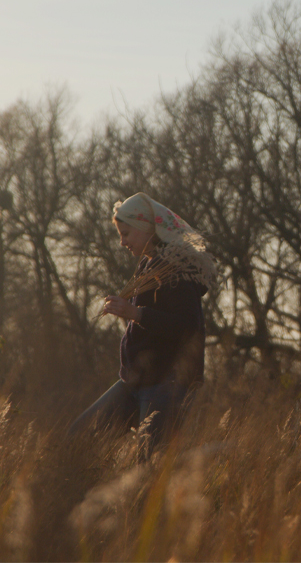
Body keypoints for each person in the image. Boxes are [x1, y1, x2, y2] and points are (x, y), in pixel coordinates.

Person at [69, 193, 216, 460]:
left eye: (126, 234)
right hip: (136, 380)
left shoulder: (174, 267)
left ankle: (200, 472)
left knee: (149, 462)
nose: (122, 242)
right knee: (78, 438)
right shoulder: (149, 264)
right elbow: (153, 324)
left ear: (147, 228)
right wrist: (131, 313)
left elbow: (187, 327)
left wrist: (134, 312)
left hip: (167, 383)